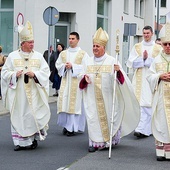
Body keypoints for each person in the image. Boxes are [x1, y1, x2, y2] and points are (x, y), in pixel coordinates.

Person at [79, 27, 140, 152]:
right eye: (94, 46)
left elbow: (122, 81)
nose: (95, 48)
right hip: (92, 97)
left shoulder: (112, 61)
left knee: (108, 118)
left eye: (98, 46)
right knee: (93, 119)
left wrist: (118, 72)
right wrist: (84, 79)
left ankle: (108, 141)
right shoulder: (87, 61)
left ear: (104, 47)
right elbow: (81, 79)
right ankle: (95, 142)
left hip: (108, 96)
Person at [1, 21, 51, 151]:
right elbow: (5, 72)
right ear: (22, 43)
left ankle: (33, 139)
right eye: (30, 42)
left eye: (33, 42)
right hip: (19, 93)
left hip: (34, 93)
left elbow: (46, 72)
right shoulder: (12, 56)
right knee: (19, 115)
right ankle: (20, 142)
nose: (32, 44)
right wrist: (14, 75)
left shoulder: (39, 56)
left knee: (32, 115)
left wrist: (35, 74)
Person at [126, 26, 162, 138]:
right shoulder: (137, 47)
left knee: (148, 104)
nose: (146, 35)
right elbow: (130, 63)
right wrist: (143, 59)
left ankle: (147, 129)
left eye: (148, 33)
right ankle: (140, 129)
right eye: (144, 33)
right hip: (139, 80)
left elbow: (159, 63)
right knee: (139, 103)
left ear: (152, 34)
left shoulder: (158, 48)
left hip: (151, 79)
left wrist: (147, 59)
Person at [55, 32, 89, 136]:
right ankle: (66, 126)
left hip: (76, 83)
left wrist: (73, 66)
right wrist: (65, 66)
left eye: (73, 38)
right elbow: (58, 65)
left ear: (78, 40)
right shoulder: (63, 53)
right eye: (69, 38)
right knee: (64, 103)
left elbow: (86, 68)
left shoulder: (83, 54)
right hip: (66, 82)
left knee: (74, 105)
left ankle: (73, 127)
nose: (70, 40)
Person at [147, 22, 170, 161]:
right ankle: (161, 152)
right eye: (165, 44)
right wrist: (160, 76)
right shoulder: (156, 60)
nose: (168, 47)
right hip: (161, 97)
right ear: (161, 44)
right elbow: (149, 76)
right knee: (161, 122)